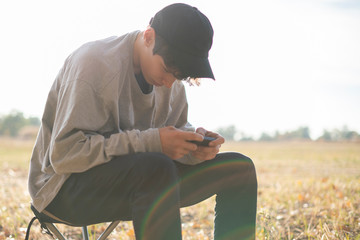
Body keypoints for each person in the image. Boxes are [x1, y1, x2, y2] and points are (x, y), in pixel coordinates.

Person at [28, 3, 257, 240]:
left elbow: (167, 139)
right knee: (156, 168)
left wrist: (193, 148)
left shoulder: (170, 80)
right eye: (168, 70)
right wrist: (152, 142)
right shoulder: (92, 64)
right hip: (62, 190)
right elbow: (64, 156)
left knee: (238, 169)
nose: (170, 83)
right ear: (149, 37)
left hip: (144, 180)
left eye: (180, 77)